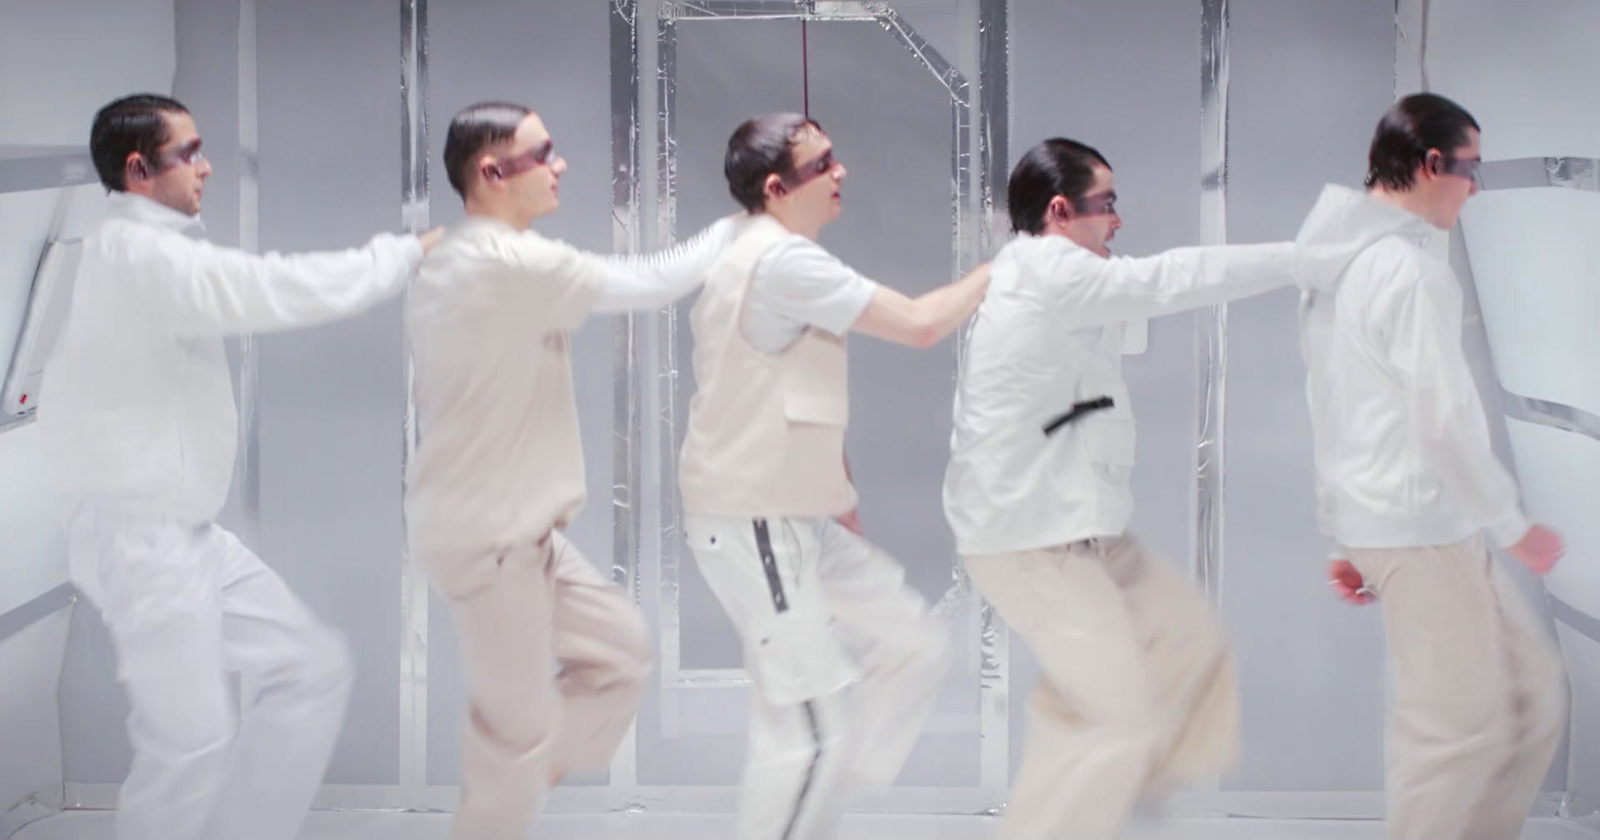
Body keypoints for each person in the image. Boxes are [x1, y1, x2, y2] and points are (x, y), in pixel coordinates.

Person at [39, 93, 440, 840]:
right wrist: (402, 256)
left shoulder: (152, 248)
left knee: (308, 669)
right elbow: (267, 290)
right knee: (187, 746)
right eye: (189, 152)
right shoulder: (140, 254)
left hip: (183, 530)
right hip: (141, 536)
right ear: (138, 168)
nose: (207, 165)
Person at [408, 100, 745, 839]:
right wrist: (744, 225)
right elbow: (655, 281)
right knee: (516, 731)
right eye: (543, 153)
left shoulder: (486, 260)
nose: (560, 166)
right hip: (487, 532)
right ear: (492, 172)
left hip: (525, 530)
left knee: (620, 656)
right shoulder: (502, 262)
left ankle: (512, 781)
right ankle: (502, 795)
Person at [944, 137, 1296, 839]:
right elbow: (1169, 280)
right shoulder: (1046, 268)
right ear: (1059, 210)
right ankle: (1096, 762)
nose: (1118, 219)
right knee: (1119, 714)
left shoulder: (1059, 278)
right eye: (1106, 203)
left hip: (1082, 530)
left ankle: (1120, 756)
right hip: (1031, 540)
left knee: (1190, 641)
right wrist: (1300, 258)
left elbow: (1135, 298)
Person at [677, 112, 988, 840]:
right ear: (780, 188)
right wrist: (1000, 269)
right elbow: (918, 323)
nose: (841, 172)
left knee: (913, 644)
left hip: (798, 516)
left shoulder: (773, 257)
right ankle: (816, 785)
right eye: (824, 166)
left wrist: (838, 493)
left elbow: (791, 387)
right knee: (807, 733)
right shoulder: (783, 261)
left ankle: (832, 790)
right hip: (753, 518)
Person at [1296, 92, 1567, 840]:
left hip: (1407, 524)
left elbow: (1332, 407)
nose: (1476, 188)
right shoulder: (1408, 275)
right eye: (1471, 168)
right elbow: (1441, 421)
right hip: (1420, 527)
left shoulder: (1336, 268)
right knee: (1455, 736)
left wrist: (1343, 538)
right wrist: (1513, 528)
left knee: (1527, 699)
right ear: (1431, 164)